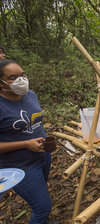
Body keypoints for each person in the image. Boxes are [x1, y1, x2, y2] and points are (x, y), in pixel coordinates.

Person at [0, 59, 52, 223]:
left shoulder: (30, 95)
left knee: (41, 192)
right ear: (1, 83)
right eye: (12, 78)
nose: (21, 80)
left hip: (43, 156)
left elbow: (34, 122)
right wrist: (25, 144)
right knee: (42, 208)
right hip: (19, 167)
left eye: (23, 75)